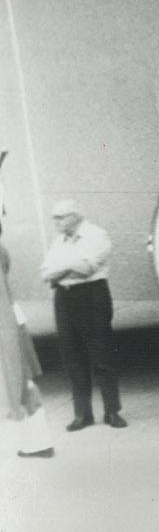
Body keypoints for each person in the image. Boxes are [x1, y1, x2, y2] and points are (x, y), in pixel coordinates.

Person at [40, 201, 121, 431]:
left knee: (101, 354)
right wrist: (69, 266)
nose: (56, 222)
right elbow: (45, 273)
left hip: (91, 296)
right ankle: (82, 414)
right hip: (64, 298)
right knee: (72, 355)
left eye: (60, 217)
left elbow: (88, 268)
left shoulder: (97, 235)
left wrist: (60, 269)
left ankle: (112, 411)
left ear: (76, 216)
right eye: (54, 218)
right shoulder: (58, 241)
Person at [0, 184, 54, 457]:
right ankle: (36, 442)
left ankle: (37, 442)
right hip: (9, 321)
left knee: (18, 383)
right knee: (21, 384)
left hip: (6, 324)